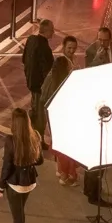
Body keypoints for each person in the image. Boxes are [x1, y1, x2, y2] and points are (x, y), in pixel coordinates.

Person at [0, 107, 43, 223]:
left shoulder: (10, 140)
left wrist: (1, 186)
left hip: (15, 184)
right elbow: (40, 160)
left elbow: (7, 167)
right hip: (29, 182)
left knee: (18, 219)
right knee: (20, 213)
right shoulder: (35, 136)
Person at [40, 55, 78, 186]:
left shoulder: (50, 78)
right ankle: (65, 175)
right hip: (64, 120)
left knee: (59, 147)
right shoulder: (65, 84)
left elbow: (43, 97)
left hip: (52, 119)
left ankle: (60, 171)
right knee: (66, 150)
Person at [21, 19, 55, 134]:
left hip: (31, 82)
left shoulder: (31, 40)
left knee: (34, 109)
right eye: (52, 30)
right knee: (40, 115)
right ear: (47, 31)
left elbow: (24, 59)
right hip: (40, 87)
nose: (53, 32)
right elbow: (47, 71)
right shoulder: (45, 48)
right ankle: (38, 138)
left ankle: (32, 133)